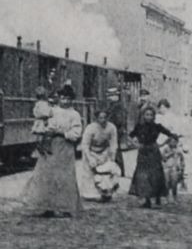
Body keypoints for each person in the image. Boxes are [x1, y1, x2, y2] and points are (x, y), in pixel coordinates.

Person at [24, 84, 84, 217]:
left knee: (64, 176)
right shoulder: (52, 111)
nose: (65, 101)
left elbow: (76, 132)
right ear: (59, 98)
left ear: (71, 100)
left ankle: (64, 207)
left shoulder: (74, 114)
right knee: (47, 174)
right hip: (50, 145)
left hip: (65, 146)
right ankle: (47, 206)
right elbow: (41, 117)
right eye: (62, 98)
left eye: (68, 98)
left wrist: (63, 133)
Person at [128, 104, 176, 207]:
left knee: (155, 175)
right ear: (143, 115)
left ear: (154, 116)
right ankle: (146, 200)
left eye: (151, 115)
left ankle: (156, 198)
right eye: (147, 114)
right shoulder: (139, 127)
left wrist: (163, 144)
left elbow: (171, 135)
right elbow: (129, 136)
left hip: (154, 152)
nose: (149, 117)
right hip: (143, 152)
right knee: (143, 176)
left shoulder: (157, 126)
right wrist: (136, 145)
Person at [82, 111, 123, 203]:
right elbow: (85, 145)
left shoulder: (111, 127)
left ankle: (106, 192)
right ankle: (91, 194)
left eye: (105, 117)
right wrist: (90, 158)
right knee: (90, 172)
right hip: (91, 151)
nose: (103, 120)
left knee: (107, 171)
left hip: (104, 151)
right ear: (96, 118)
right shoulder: (90, 128)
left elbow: (113, 143)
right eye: (100, 118)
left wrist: (112, 155)